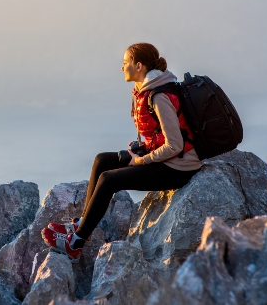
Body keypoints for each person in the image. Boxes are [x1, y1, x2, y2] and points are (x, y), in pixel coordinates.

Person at [41, 42, 202, 262]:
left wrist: (142, 161)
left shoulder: (159, 96)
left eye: (125, 62)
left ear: (138, 66)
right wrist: (139, 150)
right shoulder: (144, 90)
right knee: (102, 161)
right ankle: (82, 222)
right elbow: (158, 134)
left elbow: (175, 146)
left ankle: (75, 243)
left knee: (109, 180)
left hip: (178, 167)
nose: (121, 67)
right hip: (163, 156)